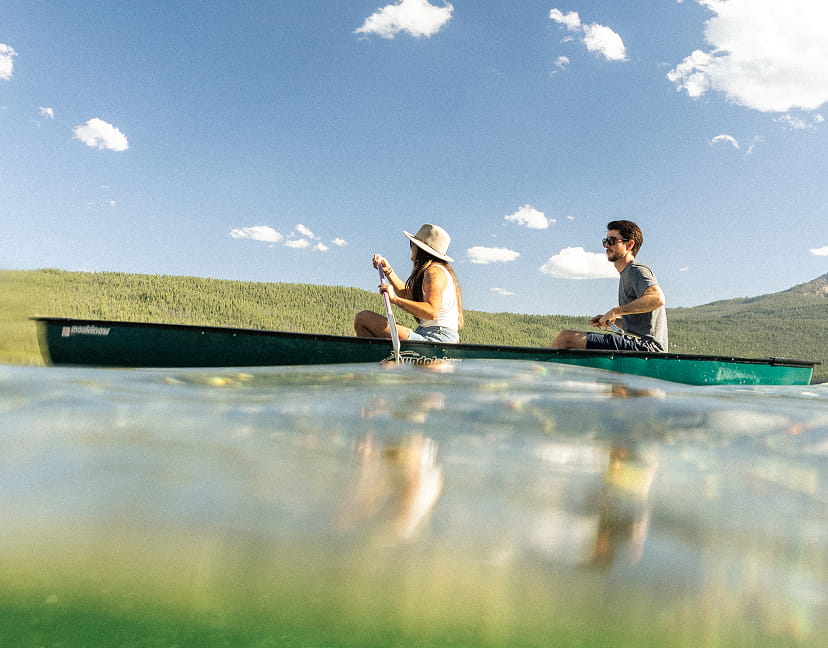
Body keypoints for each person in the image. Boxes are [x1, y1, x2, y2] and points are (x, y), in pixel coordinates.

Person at [550, 220, 668, 352]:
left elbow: (657, 298)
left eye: (611, 241)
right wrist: (608, 321)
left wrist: (615, 311)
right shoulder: (626, 274)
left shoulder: (636, 270)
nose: (606, 245)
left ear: (629, 244)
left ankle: (539, 371)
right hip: (640, 345)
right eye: (604, 241)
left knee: (565, 338)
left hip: (647, 348)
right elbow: (636, 326)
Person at [354, 224, 463, 343]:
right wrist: (388, 271)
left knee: (363, 319)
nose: (411, 248)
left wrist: (394, 299)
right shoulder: (436, 270)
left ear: (420, 249)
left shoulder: (434, 272)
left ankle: (377, 359)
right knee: (364, 320)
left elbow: (432, 311)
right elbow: (407, 295)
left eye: (412, 244)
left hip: (437, 338)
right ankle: (385, 359)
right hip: (431, 334)